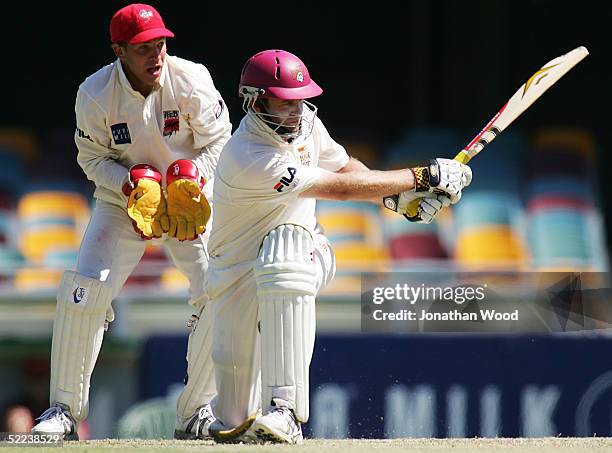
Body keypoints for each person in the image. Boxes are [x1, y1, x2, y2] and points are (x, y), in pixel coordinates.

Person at [204, 49, 471, 444]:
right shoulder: (248, 155)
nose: (297, 112)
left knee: (286, 245)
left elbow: (346, 168)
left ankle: (286, 412)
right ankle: (233, 413)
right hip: (233, 275)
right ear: (256, 101)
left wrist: (394, 201)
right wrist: (420, 176)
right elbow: (341, 189)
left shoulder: (307, 126)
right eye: (285, 102)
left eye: (300, 101)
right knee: (233, 421)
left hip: (300, 252)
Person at [31, 3, 231, 440]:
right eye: (143, 48)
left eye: (160, 44)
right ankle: (63, 412)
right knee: (83, 290)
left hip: (186, 203)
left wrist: (194, 181)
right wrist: (128, 185)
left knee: (218, 288)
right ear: (119, 50)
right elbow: (91, 158)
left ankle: (196, 413)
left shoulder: (191, 78)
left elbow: (220, 142)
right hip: (123, 204)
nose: (156, 55)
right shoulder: (95, 93)